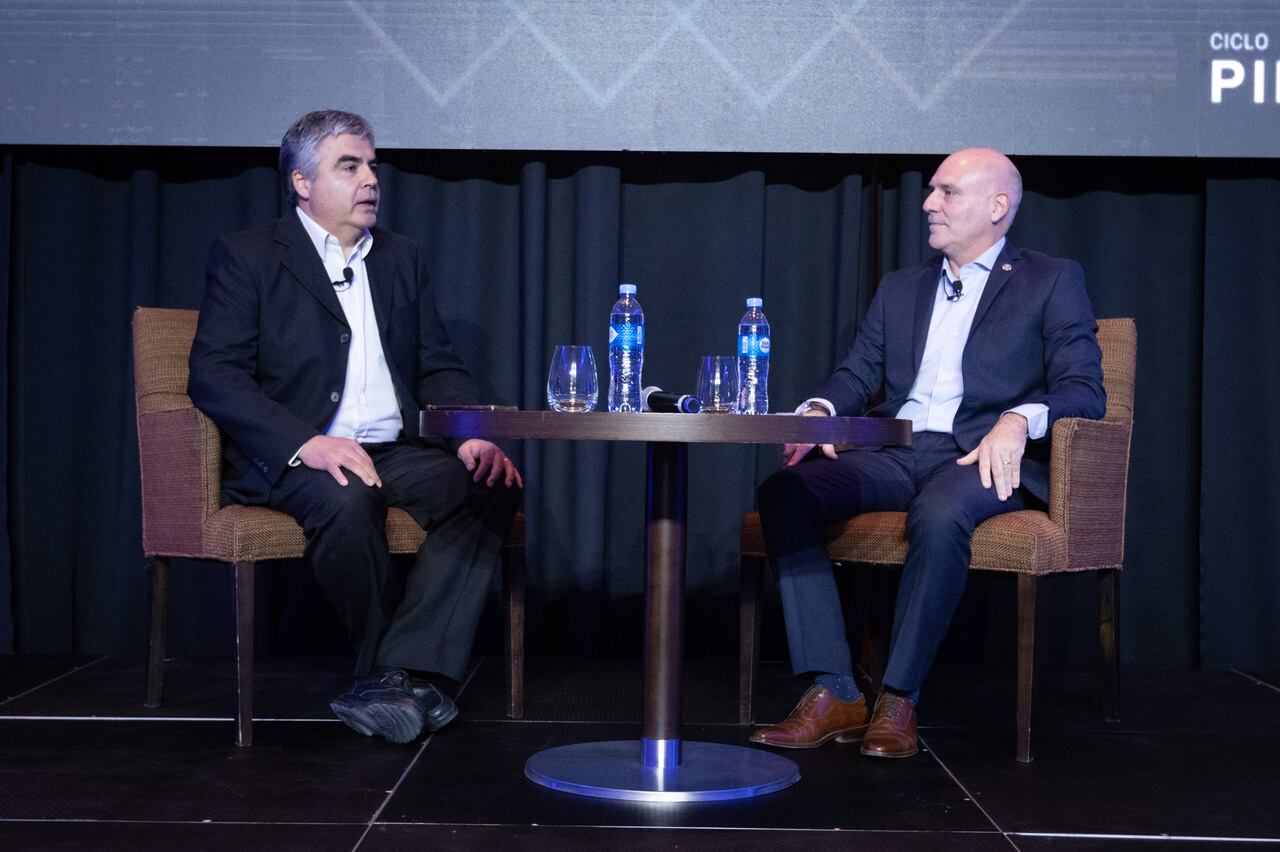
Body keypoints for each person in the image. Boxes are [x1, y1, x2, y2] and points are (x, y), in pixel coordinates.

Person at [749, 148, 1105, 758]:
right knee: (785, 491)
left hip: (976, 456)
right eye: (931, 191)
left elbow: (1085, 390)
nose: (927, 203)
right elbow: (856, 375)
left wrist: (1020, 418)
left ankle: (899, 695)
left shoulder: (1050, 278)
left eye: (947, 192)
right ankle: (835, 690)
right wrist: (819, 412)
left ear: (998, 208)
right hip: (897, 448)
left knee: (940, 517)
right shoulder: (901, 287)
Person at [188, 110, 522, 744]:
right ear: (302, 182)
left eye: (372, 166)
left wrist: (468, 432)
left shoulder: (401, 258)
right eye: (351, 166)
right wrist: (305, 443)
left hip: (395, 449)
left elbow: (437, 364)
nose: (371, 179)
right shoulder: (250, 255)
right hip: (297, 455)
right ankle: (394, 675)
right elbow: (214, 373)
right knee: (347, 498)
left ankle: (400, 672)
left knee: (490, 484)